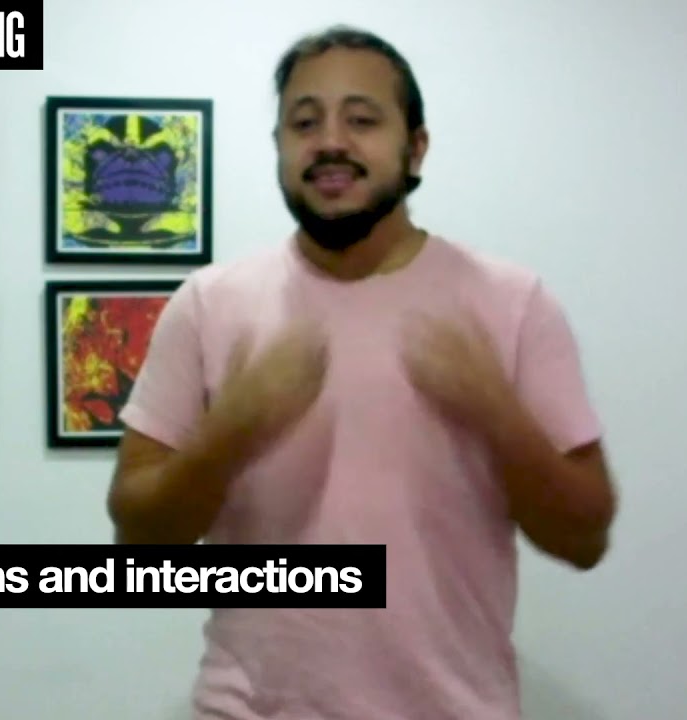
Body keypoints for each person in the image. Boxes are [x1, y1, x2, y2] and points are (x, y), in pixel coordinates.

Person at [106, 24, 619, 720]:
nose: (330, 142)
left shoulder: (512, 302)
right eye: (304, 122)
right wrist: (232, 430)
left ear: (416, 147)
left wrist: (496, 413)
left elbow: (585, 538)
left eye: (362, 120)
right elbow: (138, 540)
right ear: (279, 146)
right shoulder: (208, 304)